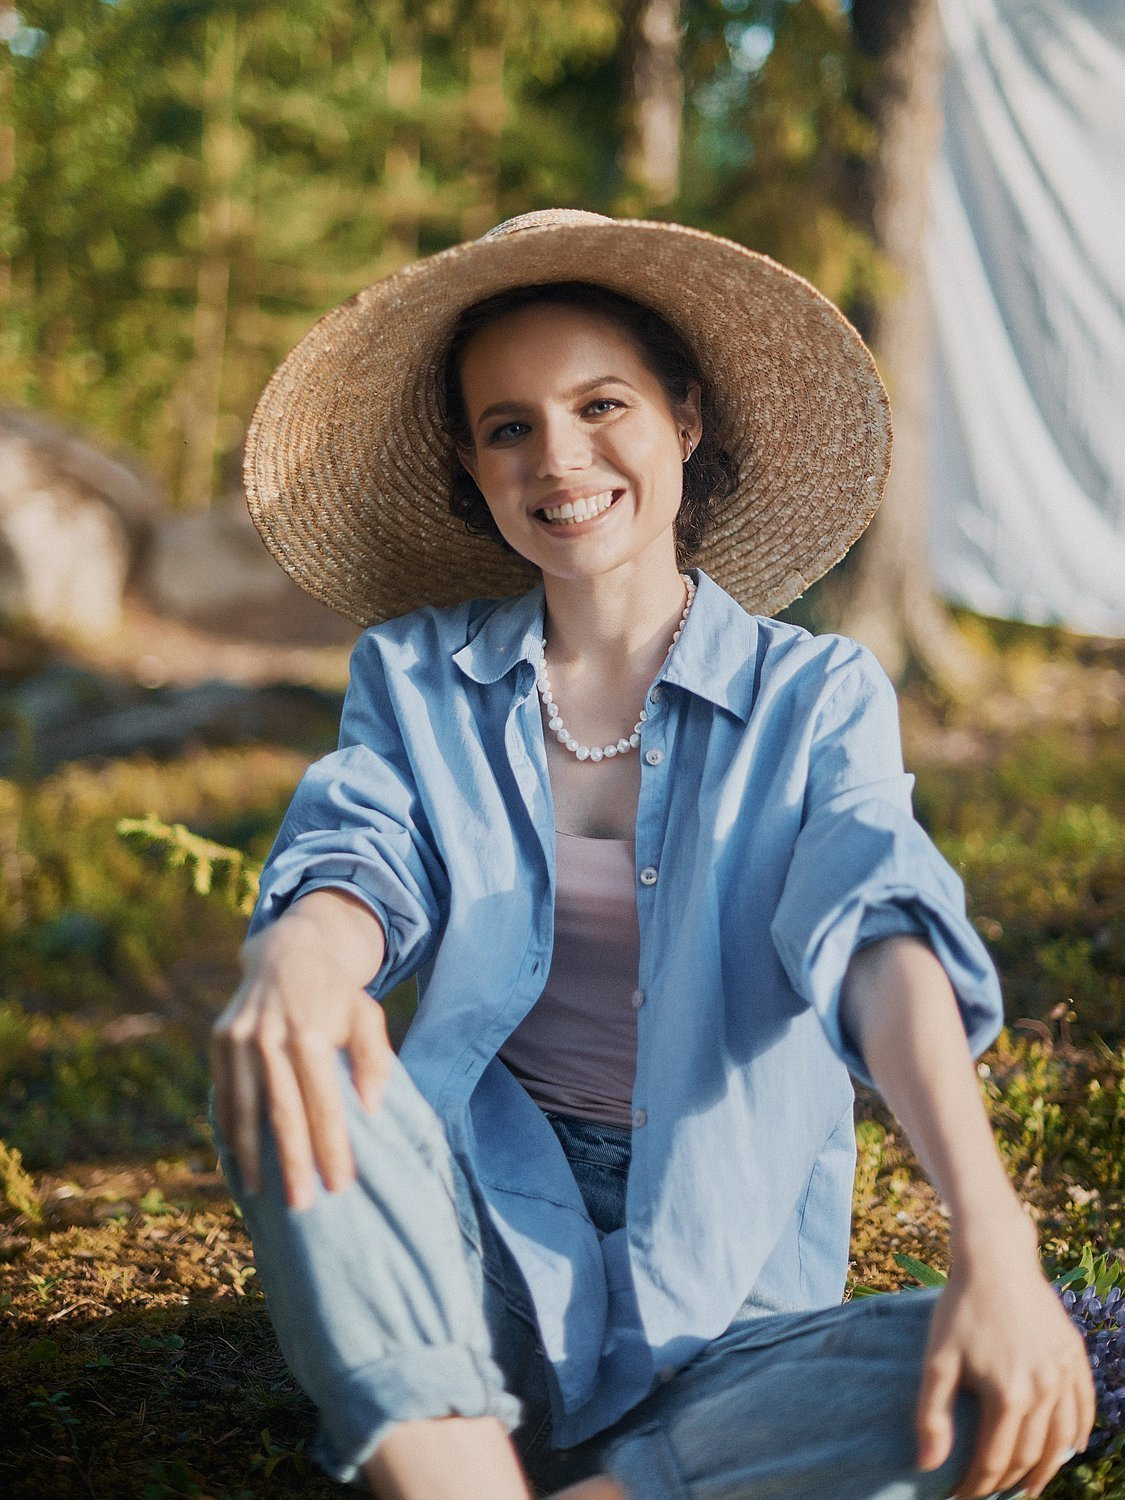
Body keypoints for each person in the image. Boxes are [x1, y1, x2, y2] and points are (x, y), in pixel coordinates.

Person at [210, 209, 1094, 1500]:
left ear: (683, 416)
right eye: (507, 425)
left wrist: (992, 1236)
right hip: (479, 1251)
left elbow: (875, 924)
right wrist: (299, 953)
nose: (556, 456)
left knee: (1028, 1380)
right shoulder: (416, 673)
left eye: (600, 403)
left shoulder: (817, 696)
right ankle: (458, 1452)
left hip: (725, 1303)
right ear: (471, 462)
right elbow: (364, 851)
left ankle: (599, 1483)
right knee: (304, 1056)